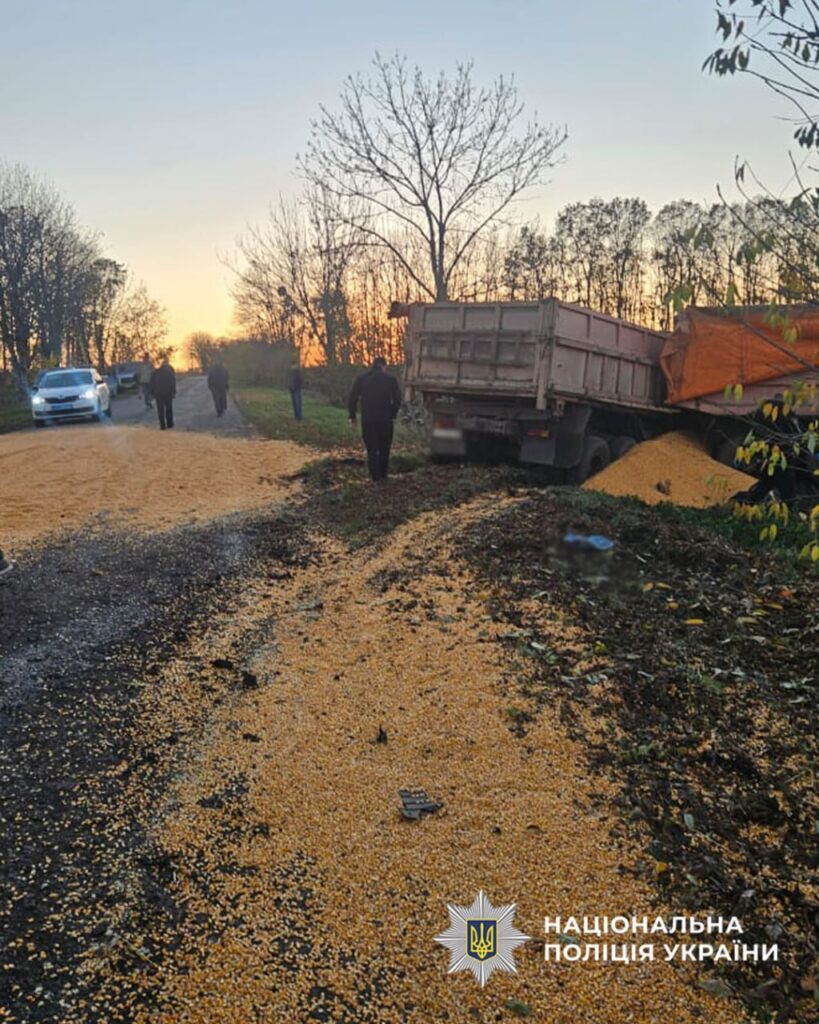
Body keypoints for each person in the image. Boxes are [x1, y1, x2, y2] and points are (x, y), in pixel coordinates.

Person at [348, 356, 402, 482]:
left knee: (372, 449)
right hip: (385, 419)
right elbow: (397, 399)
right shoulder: (390, 379)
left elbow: (353, 397)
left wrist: (352, 415)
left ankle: (375, 477)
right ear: (383, 366)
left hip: (368, 419)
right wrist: (393, 414)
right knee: (385, 448)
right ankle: (383, 475)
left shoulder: (361, 379)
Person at [150, 357, 177, 430]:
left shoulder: (155, 372)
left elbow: (151, 383)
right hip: (168, 393)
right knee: (169, 409)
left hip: (158, 394)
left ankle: (162, 425)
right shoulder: (170, 372)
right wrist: (173, 392)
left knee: (160, 410)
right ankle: (170, 424)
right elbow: (173, 382)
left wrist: (152, 393)